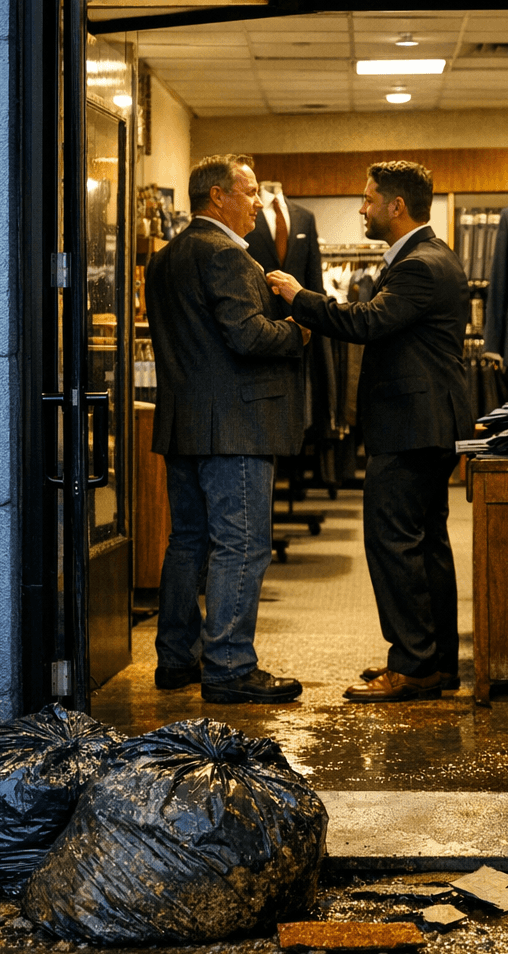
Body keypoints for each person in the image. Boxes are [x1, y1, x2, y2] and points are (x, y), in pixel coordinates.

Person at [266, 161, 473, 703]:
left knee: (394, 544)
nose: (362, 208)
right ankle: (435, 661)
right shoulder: (435, 255)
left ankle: (412, 665)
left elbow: (365, 323)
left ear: (395, 206)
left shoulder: (418, 265)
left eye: (368, 198)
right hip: (428, 424)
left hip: (412, 426)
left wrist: (299, 296)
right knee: (427, 544)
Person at [145, 153, 308, 704]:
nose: (259, 202)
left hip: (184, 424)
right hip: (235, 428)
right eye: (250, 191)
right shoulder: (227, 255)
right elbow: (248, 335)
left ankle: (176, 659)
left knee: (187, 543)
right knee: (241, 546)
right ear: (218, 196)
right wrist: (298, 330)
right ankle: (229, 667)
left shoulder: (164, 259)